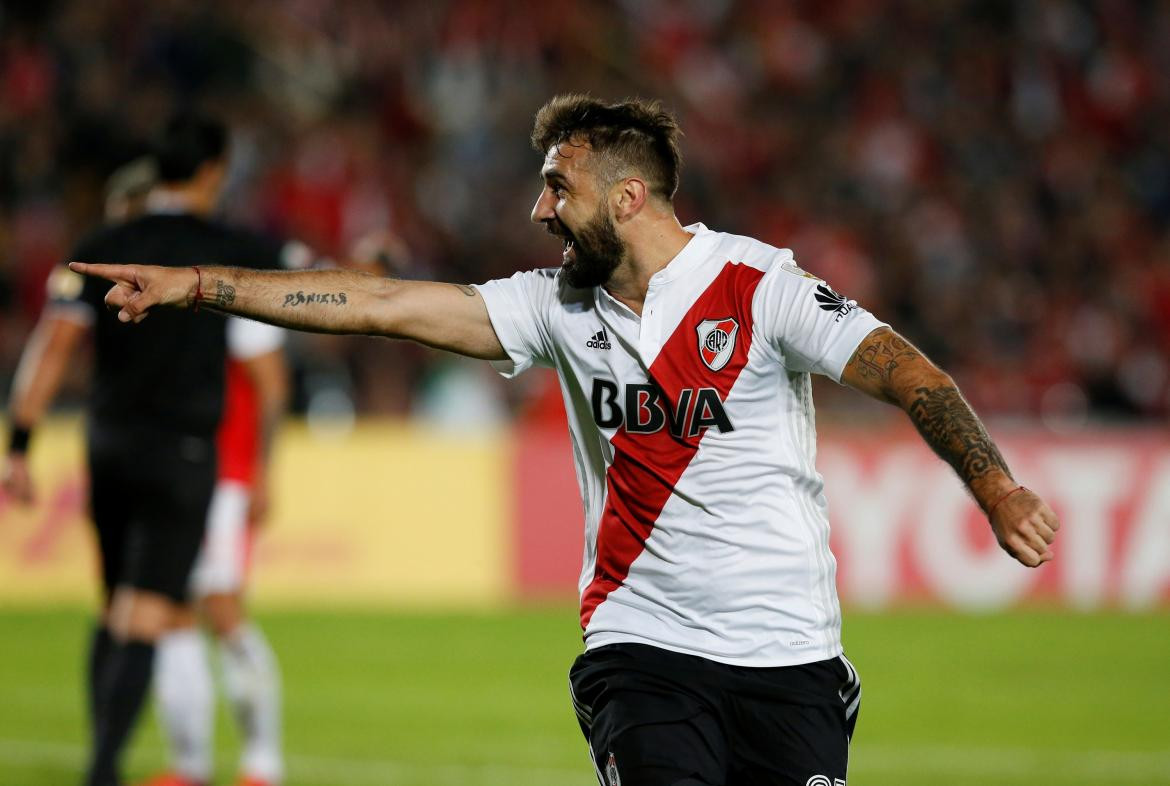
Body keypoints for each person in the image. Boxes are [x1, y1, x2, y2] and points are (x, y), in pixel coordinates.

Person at [70, 95, 1061, 786]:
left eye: (558, 188)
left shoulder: (761, 290)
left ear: (627, 199)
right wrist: (200, 286)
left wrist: (997, 487)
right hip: (644, 648)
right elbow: (378, 305)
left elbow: (914, 376)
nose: (539, 208)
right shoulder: (552, 307)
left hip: (790, 652)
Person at [2, 112, 293, 786]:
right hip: (187, 454)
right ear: (214, 170)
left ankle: (183, 763)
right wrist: (269, 467)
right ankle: (123, 767)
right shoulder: (224, 254)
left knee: (120, 608)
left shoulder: (102, 241)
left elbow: (51, 349)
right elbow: (274, 362)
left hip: (105, 445)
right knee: (161, 612)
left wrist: (18, 443)